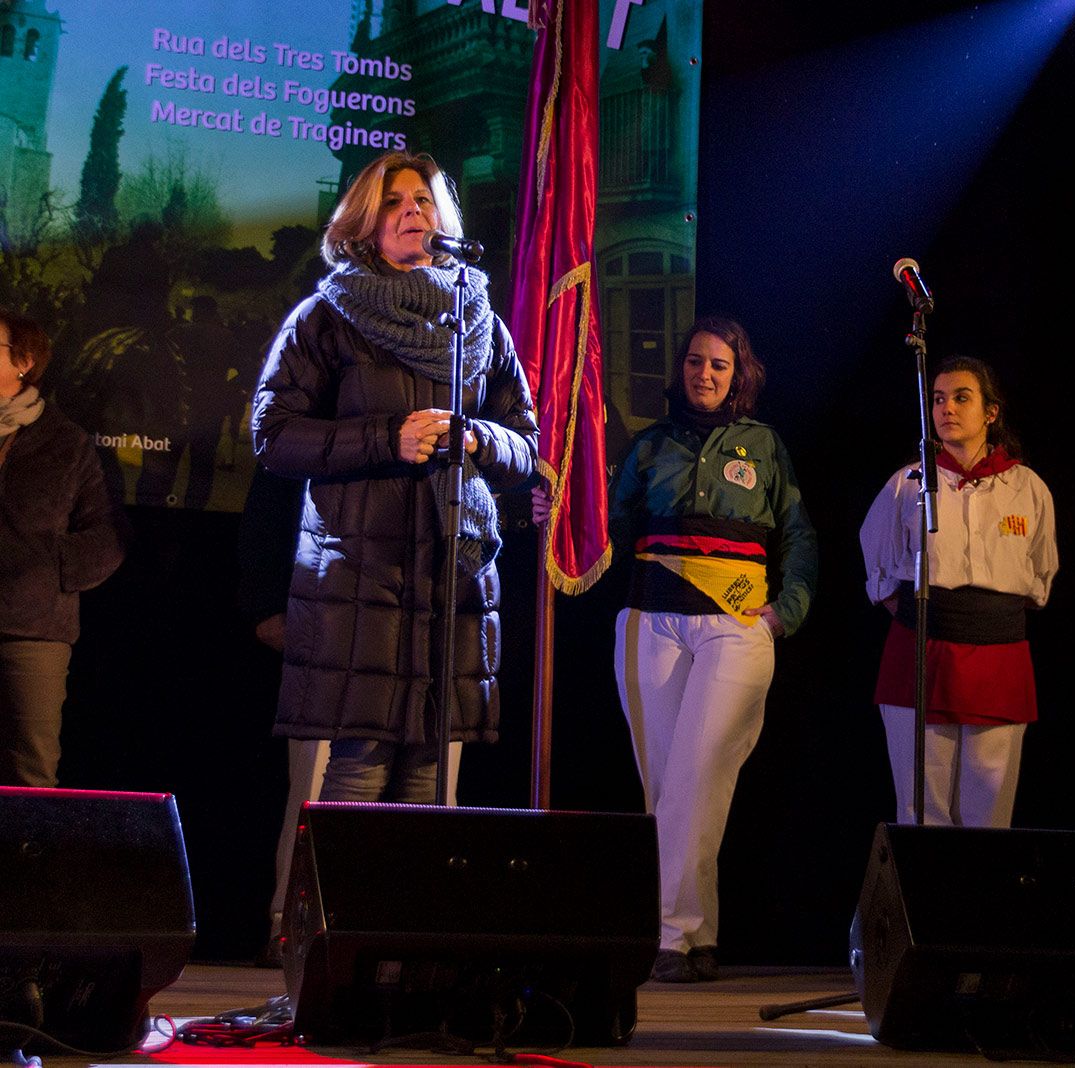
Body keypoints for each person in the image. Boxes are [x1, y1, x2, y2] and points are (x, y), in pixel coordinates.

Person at [252, 151, 540, 803]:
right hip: (360, 577)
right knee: (359, 767)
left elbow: (526, 445)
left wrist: (475, 437)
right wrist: (389, 438)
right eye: (394, 200)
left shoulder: (480, 324)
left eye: (424, 198)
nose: (413, 209)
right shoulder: (325, 318)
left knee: (430, 780)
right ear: (364, 222)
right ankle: (324, 910)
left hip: (452, 578)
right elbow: (273, 435)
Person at [610, 315, 818, 983]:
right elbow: (605, 529)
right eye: (695, 361)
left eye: (719, 364)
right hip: (652, 621)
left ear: (739, 375)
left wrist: (783, 615)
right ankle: (693, 938)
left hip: (735, 627)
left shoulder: (763, 445)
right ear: (681, 369)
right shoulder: (650, 445)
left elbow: (800, 536)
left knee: (698, 776)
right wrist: (553, 515)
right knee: (666, 783)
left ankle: (672, 937)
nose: (704, 372)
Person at [860, 356, 1057, 827]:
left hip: (998, 656)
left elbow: (1039, 578)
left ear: (991, 412)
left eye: (961, 397)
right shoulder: (908, 485)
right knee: (920, 811)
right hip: (921, 652)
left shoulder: (1027, 488)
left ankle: (979, 902)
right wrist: (933, 620)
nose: (947, 408)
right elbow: (881, 573)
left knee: (988, 813)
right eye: (939, 399)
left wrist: (981, 618)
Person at [0, 310, 127, 786]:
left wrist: (48, 570)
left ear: (24, 363)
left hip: (32, 630)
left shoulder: (64, 441)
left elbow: (108, 532)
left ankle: (24, 862)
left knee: (29, 772)